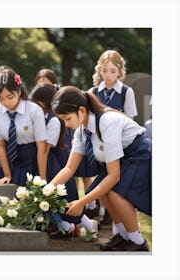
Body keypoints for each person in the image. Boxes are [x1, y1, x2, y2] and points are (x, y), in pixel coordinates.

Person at [50, 86, 151, 251]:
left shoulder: (107, 122)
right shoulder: (82, 131)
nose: (66, 124)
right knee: (103, 192)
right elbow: (69, 168)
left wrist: (82, 202)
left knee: (116, 193)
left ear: (81, 110)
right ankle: (123, 236)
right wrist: (46, 189)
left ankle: (138, 243)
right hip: (122, 159)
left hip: (140, 156)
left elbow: (114, 176)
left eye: (67, 118)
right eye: (62, 119)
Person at [30, 83, 98, 239]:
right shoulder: (44, 118)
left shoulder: (54, 121)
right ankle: (65, 228)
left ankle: (89, 226)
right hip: (49, 163)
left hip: (54, 164)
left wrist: (44, 178)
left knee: (65, 201)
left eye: (38, 104)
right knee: (56, 203)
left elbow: (46, 148)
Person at [87, 49, 139, 225]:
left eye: (112, 71)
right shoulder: (92, 91)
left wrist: (114, 113)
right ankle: (105, 211)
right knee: (102, 180)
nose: (108, 75)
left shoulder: (126, 92)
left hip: (121, 145)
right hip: (98, 144)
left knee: (117, 183)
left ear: (120, 71)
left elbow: (130, 119)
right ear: (99, 70)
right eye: (104, 71)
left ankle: (120, 220)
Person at [0, 68, 47, 185]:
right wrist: (7, 174)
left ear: (19, 91)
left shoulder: (34, 110)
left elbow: (42, 147)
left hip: (31, 160)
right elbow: (0, 145)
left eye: (10, 97)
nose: (6, 102)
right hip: (7, 161)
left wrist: (42, 178)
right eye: (1, 99)